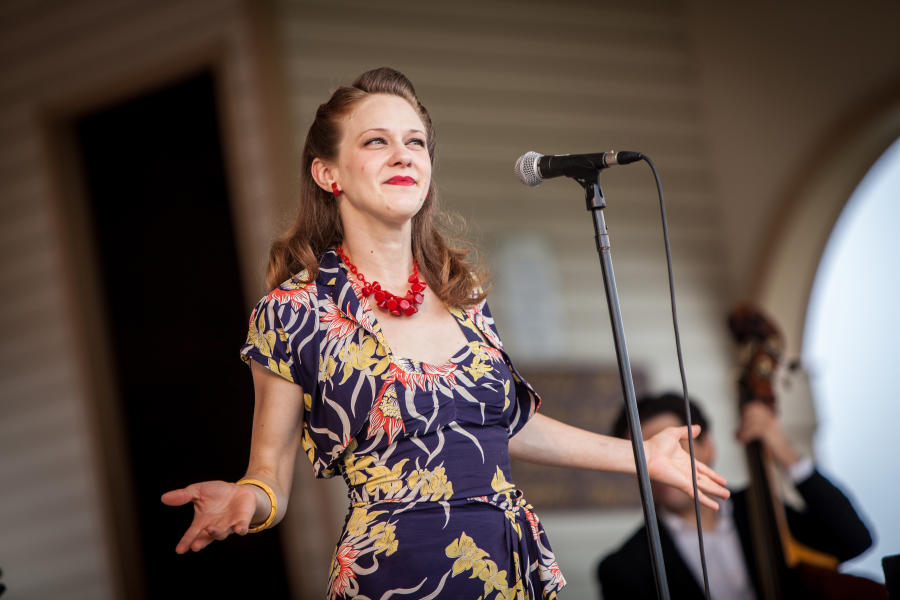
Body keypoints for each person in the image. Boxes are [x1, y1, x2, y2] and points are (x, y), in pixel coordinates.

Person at [161, 67, 730, 599]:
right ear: (327, 172)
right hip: (395, 570)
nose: (402, 155)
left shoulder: (465, 298)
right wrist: (247, 498)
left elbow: (506, 425)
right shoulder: (293, 311)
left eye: (415, 142)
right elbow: (270, 476)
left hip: (508, 562)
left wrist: (642, 455)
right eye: (376, 141)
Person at [596, 392, 874, 600]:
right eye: (642, 456)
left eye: (676, 446)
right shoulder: (622, 569)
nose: (660, 465)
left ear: (707, 447)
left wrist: (782, 448)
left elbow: (853, 540)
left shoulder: (760, 508)